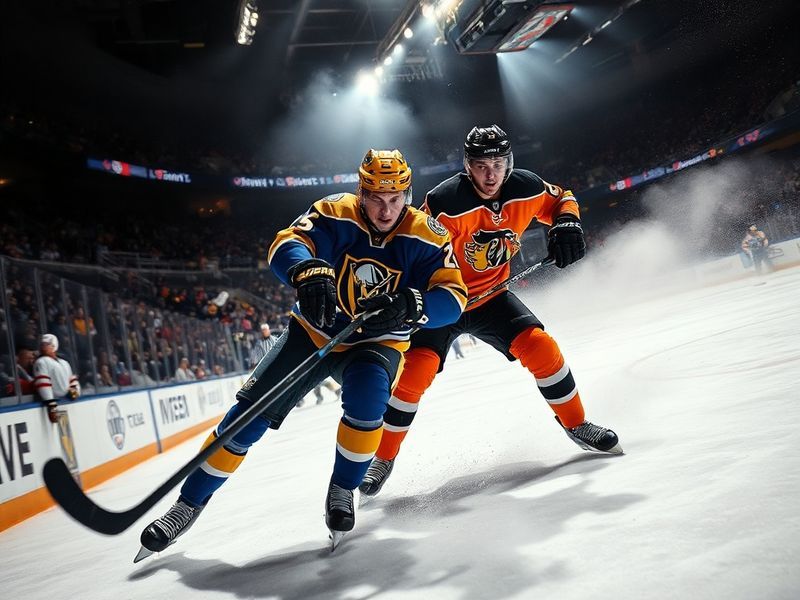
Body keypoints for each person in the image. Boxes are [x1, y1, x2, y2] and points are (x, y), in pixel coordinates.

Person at [137, 149, 467, 557]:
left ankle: (343, 489)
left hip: (376, 342)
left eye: (396, 198)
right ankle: (186, 506)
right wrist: (304, 268)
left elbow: (453, 298)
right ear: (361, 192)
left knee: (368, 408)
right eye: (377, 198)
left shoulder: (428, 234)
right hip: (312, 333)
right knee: (247, 419)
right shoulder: (333, 211)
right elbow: (285, 242)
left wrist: (414, 304)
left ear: (408, 194)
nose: (386, 209)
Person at [359, 125, 621, 498]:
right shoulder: (444, 201)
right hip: (443, 298)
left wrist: (567, 223)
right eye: (481, 165)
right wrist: (404, 296)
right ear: (468, 166)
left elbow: (562, 199)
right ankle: (382, 458)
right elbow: (412, 247)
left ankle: (577, 424)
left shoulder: (526, 187)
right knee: (414, 375)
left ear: (508, 162)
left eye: (497, 163)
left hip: (490, 297)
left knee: (542, 348)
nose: (490, 174)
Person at [33, 334, 80, 423]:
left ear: (54, 346)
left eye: (47, 344)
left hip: (65, 401)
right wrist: (51, 405)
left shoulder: (65, 363)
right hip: (56, 401)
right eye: (42, 344)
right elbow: (43, 383)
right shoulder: (41, 362)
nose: (43, 346)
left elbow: (73, 380)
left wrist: (75, 391)